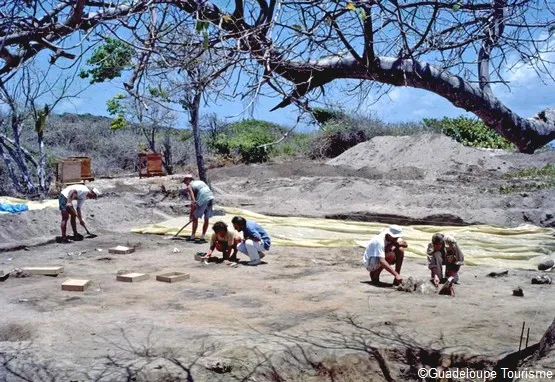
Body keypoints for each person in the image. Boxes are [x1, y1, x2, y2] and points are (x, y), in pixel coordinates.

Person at [182, 174, 214, 243]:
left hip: (203, 198)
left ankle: (192, 236)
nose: (185, 183)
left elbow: (193, 201)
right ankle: (202, 237)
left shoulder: (189, 186)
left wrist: (191, 214)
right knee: (206, 218)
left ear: (188, 180)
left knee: (194, 217)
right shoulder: (200, 182)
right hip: (211, 197)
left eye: (185, 182)